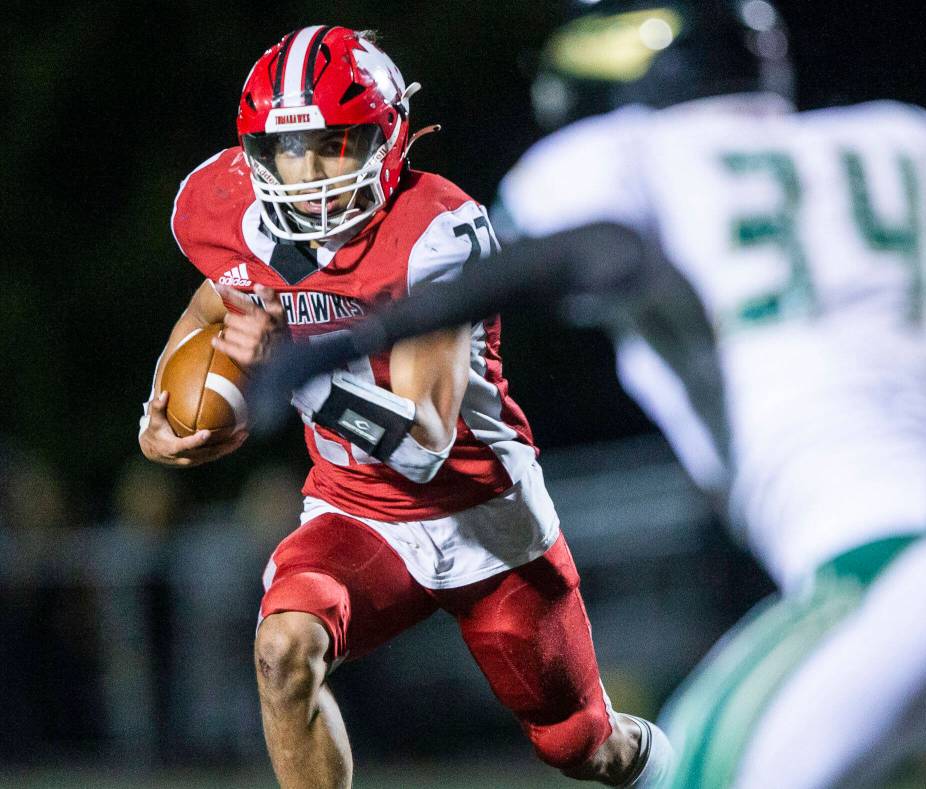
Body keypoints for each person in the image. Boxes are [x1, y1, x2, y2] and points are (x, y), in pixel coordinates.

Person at [252, 4, 926, 787]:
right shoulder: (904, 141)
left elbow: (604, 249)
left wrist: (358, 337)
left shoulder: (629, 159)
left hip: (895, 566)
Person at [137, 24, 671, 789]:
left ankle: (685, 768)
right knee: (284, 649)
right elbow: (210, 302)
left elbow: (424, 440)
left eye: (334, 144)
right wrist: (164, 406)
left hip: (484, 517)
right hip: (355, 513)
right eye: (290, 149)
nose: (310, 172)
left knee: (582, 747)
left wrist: (291, 369)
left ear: (386, 139)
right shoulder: (228, 209)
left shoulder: (435, 232)